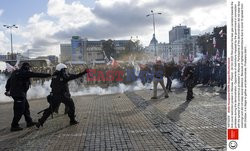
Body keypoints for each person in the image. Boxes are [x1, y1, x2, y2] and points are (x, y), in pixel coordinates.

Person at [36, 63, 89, 128]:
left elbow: (51, 85)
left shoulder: (54, 76)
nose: (65, 71)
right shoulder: (64, 76)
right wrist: (84, 72)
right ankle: (72, 120)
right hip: (63, 96)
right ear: (62, 70)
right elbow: (74, 76)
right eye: (64, 70)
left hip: (55, 96)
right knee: (71, 106)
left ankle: (40, 122)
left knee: (50, 110)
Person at [5, 62, 51, 132]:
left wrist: (7, 90)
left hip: (19, 94)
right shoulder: (24, 72)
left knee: (26, 107)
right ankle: (14, 126)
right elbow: (36, 74)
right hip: (19, 95)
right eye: (29, 67)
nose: (29, 69)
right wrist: (49, 75)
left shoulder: (16, 72)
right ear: (26, 67)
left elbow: (8, 81)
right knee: (19, 110)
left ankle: (29, 122)